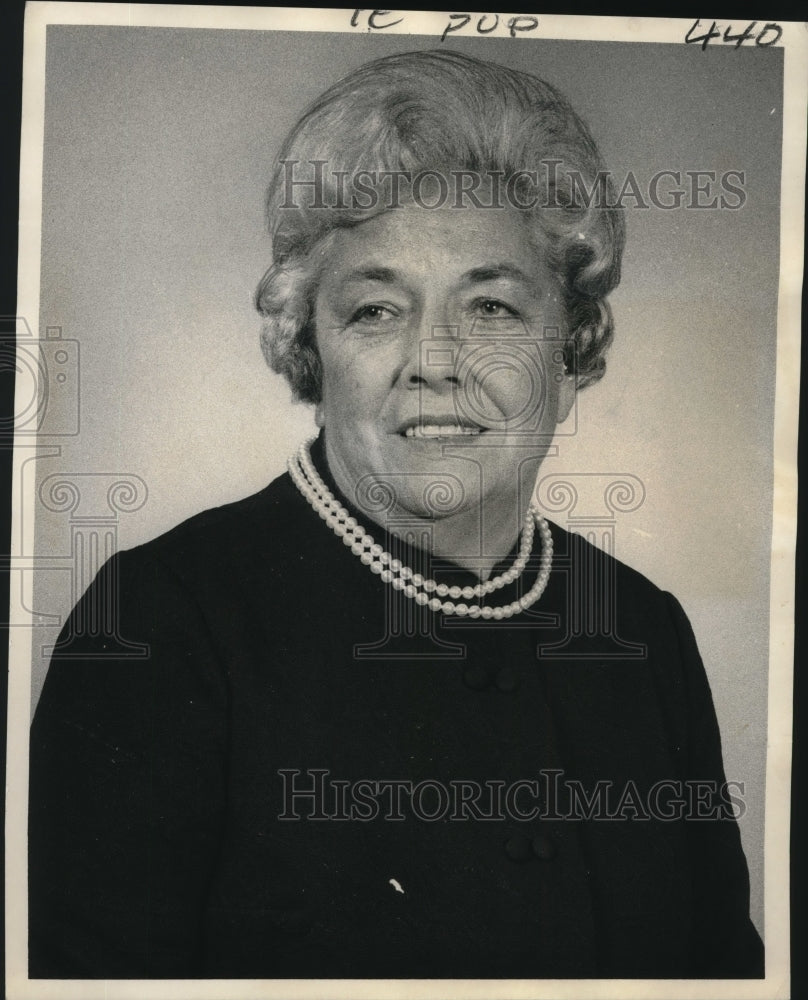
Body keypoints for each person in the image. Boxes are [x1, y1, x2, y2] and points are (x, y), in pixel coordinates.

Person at [29, 49, 763, 979]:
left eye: (493, 307)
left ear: (572, 350)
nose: (436, 361)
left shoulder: (642, 630)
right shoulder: (159, 621)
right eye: (376, 311)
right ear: (309, 349)